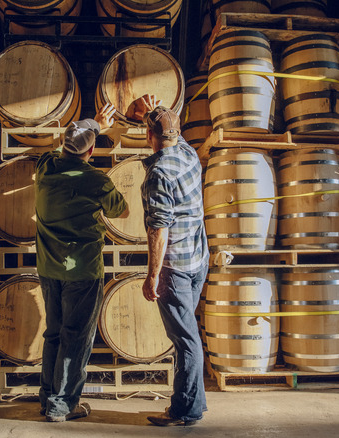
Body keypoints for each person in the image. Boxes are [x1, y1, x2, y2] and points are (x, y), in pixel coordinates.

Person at [35, 103, 129, 422]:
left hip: (48, 268)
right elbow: (121, 211)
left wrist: (93, 125)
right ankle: (63, 405)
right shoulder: (96, 180)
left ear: (64, 144)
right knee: (75, 338)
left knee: (54, 333)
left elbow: (59, 148)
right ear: (91, 151)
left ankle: (48, 397)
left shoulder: (46, 166)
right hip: (83, 270)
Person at [138, 98, 209, 427]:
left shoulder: (159, 174)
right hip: (198, 260)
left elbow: (158, 232)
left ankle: (187, 410)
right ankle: (184, 403)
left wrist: (152, 277)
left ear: (149, 135)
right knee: (186, 337)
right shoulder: (188, 153)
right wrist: (158, 109)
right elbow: (168, 130)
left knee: (186, 340)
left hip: (175, 269)